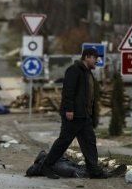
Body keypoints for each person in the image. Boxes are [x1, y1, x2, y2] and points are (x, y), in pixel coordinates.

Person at [39, 47, 103, 179]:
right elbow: (68, 91)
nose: (96, 61)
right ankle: (46, 166)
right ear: (87, 57)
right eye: (95, 58)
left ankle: (94, 171)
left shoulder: (87, 73)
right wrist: (69, 109)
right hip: (74, 115)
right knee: (64, 142)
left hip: (84, 116)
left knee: (89, 142)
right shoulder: (74, 70)